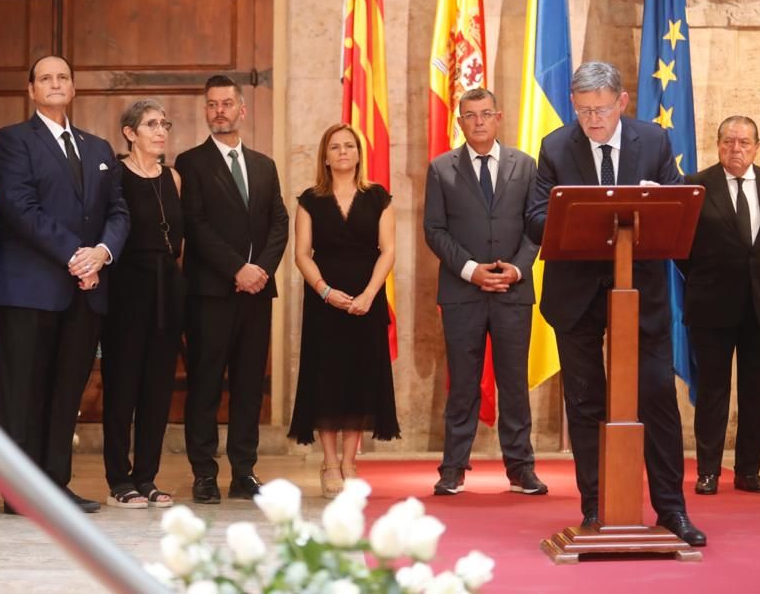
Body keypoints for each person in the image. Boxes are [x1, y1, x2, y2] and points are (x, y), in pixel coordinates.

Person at [525, 61, 706, 547]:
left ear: (622, 102)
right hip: (577, 296)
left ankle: (671, 509)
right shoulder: (556, 146)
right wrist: (574, 211)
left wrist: (657, 200)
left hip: (639, 296)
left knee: (656, 399)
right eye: (583, 111)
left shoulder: (654, 141)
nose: (593, 120)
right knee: (586, 404)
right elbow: (536, 218)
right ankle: (595, 507)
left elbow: (680, 202)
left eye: (601, 110)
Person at [0, 55, 129, 514]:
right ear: (31, 89)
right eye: (45, 78)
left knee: (67, 393)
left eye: (62, 77)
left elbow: (118, 212)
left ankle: (55, 488)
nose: (54, 84)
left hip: (85, 291)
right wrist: (74, 254)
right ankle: (20, 493)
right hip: (29, 289)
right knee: (24, 393)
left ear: (74, 87)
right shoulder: (13, 141)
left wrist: (101, 254)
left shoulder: (98, 147)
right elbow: (19, 207)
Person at [423, 88, 547, 497]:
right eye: (470, 115)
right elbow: (434, 230)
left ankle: (521, 468)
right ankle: (453, 468)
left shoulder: (526, 166)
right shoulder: (441, 168)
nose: (478, 121)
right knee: (463, 383)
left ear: (500, 117)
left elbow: (538, 226)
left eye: (485, 114)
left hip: (513, 290)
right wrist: (472, 271)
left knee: (513, 382)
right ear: (459, 122)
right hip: (463, 292)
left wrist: (517, 267)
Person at [175, 75, 289, 503]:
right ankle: (204, 473)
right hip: (211, 294)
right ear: (205, 111)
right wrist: (237, 268)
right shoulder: (191, 162)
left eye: (226, 103)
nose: (219, 110)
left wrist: (260, 269)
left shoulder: (264, 165)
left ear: (242, 109)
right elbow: (196, 225)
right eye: (211, 104)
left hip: (258, 294)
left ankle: (244, 472)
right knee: (204, 386)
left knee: (248, 386)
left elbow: (280, 222)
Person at [681, 116, 760, 495]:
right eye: (729, 142)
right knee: (713, 390)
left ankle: (749, 470)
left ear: (757, 146)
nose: (736, 149)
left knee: (757, 390)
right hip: (712, 304)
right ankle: (709, 471)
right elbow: (683, 249)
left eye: (744, 143)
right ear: (718, 145)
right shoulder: (696, 185)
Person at [288, 123, 400, 497]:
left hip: (367, 300)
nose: (342, 152)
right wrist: (324, 291)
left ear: (358, 153)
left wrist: (369, 294)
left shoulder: (379, 197)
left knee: (358, 379)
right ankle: (329, 462)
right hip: (325, 303)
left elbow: (388, 250)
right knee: (326, 380)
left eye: (349, 146)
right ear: (325, 155)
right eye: (335, 147)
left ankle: (351, 462)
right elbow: (302, 253)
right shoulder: (310, 199)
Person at [101, 99, 184, 509]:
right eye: (151, 124)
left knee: (157, 389)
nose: (160, 131)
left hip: (167, 288)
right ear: (130, 133)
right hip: (126, 288)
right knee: (123, 387)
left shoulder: (174, 178)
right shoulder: (115, 176)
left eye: (164, 124)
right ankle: (119, 478)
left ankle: (146, 476)